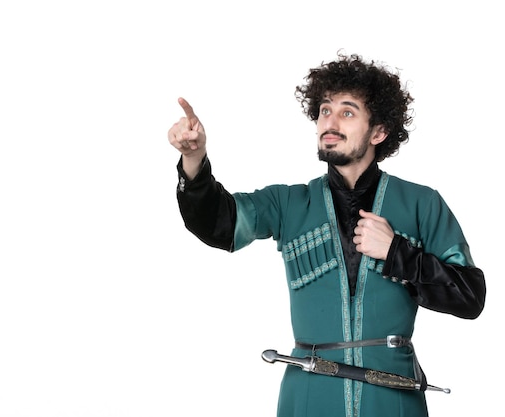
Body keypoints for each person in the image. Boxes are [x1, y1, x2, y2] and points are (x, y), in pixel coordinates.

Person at [167, 53, 486, 417]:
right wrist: (194, 162)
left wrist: (398, 252)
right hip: (308, 395)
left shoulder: (422, 204)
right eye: (323, 110)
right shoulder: (288, 203)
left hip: (393, 396)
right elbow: (218, 223)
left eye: (347, 112)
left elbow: (470, 297)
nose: (329, 122)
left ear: (378, 131)